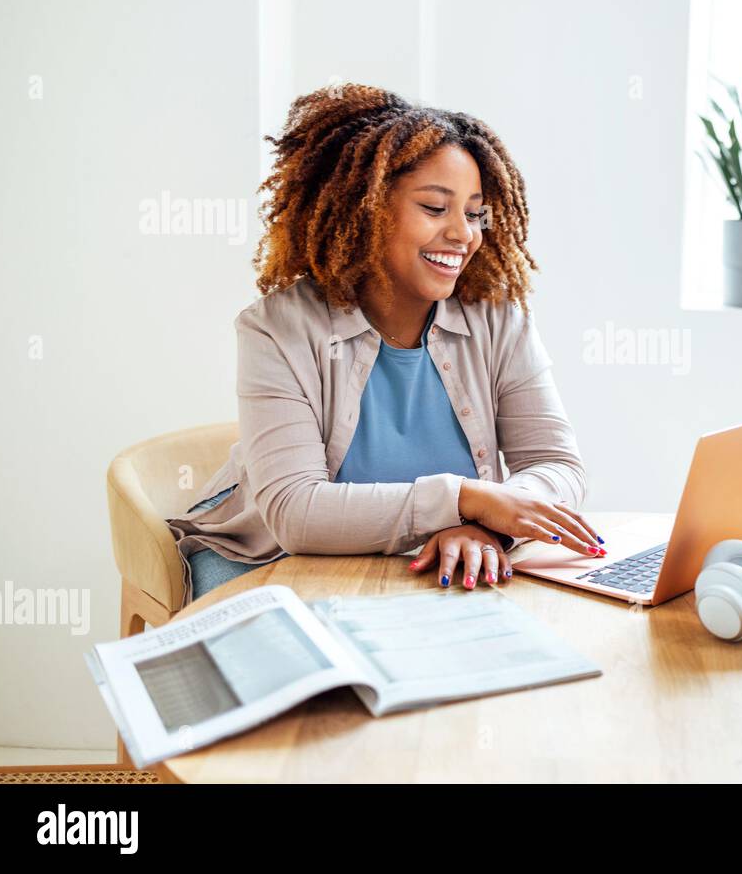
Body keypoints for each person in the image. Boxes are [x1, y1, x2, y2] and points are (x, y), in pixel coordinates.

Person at [167, 83, 604, 605]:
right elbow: (296, 512)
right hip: (267, 557)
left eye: (473, 213)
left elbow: (558, 464)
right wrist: (467, 500)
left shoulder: (498, 321)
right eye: (435, 208)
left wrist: (492, 525)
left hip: (422, 556)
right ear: (367, 209)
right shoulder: (277, 329)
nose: (463, 234)